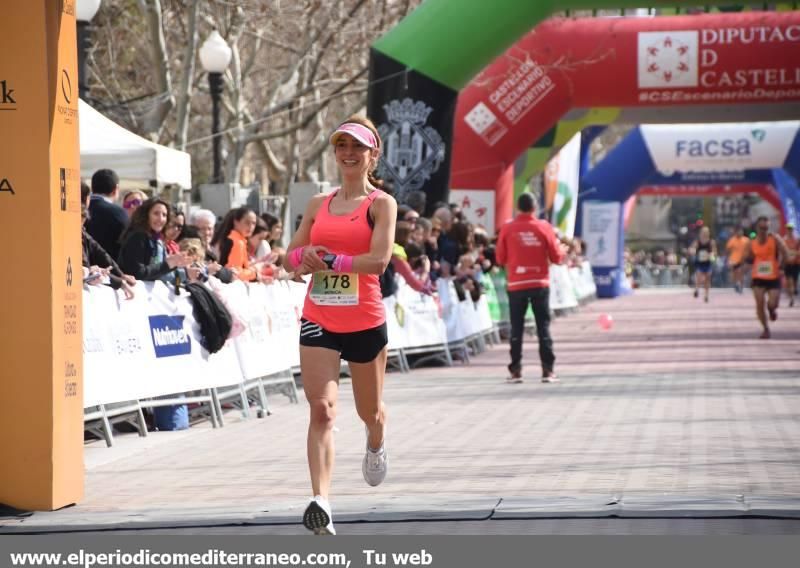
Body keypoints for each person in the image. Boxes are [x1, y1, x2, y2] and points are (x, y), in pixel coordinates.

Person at [285, 116, 396, 536]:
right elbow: (288, 258)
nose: (348, 154)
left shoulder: (381, 204)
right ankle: (321, 503)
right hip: (320, 317)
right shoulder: (318, 204)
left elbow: (379, 261)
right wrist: (305, 257)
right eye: (341, 146)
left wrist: (333, 260)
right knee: (322, 409)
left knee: (371, 411)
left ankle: (376, 441)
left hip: (365, 319)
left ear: (372, 155)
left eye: (357, 147)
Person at [495, 192, 564, 384]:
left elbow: (499, 258)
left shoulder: (508, 228)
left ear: (518, 207)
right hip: (540, 283)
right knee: (543, 327)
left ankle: (516, 371)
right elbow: (557, 257)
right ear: (535, 208)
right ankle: (548, 371)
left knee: (516, 327)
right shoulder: (544, 227)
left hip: (516, 283)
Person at [118, 197, 192, 284]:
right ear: (146, 215)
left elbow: (164, 276)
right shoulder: (138, 237)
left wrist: (179, 269)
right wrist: (169, 264)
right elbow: (138, 273)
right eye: (156, 214)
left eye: (164, 215)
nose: (161, 219)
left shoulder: (157, 240)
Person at [745, 216, 794, 339]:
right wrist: (742, 267)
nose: (764, 231)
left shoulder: (775, 239)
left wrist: (783, 266)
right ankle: (765, 328)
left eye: (766, 228)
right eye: (762, 228)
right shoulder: (752, 242)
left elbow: (786, 253)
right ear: (757, 228)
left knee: (773, 303)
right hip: (758, 277)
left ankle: (772, 310)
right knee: (759, 303)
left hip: (773, 277)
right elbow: (748, 258)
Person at [85, 169, 129, 260]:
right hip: (110, 269)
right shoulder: (118, 213)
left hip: (83, 268)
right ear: (116, 189)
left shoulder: (80, 210)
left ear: (92, 188)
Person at [211, 207, 259, 282]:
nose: (251, 227)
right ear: (236, 222)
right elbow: (235, 272)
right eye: (247, 222)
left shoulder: (236, 239)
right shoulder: (237, 242)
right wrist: (255, 273)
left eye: (253, 223)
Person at [689, 226, 717, 303]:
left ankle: (706, 295)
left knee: (707, 278)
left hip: (707, 263)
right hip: (700, 262)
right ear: (700, 233)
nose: (705, 234)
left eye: (706, 232)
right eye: (703, 232)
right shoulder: (698, 241)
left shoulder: (711, 242)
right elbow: (692, 248)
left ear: (708, 233)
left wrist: (712, 255)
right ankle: (697, 289)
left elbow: (714, 252)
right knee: (699, 275)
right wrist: (693, 251)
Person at [726, 226, 749, 293]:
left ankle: (741, 286)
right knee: (734, 273)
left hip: (743, 259)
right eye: (738, 231)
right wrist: (727, 259)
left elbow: (749, 249)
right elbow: (728, 249)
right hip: (733, 259)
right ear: (735, 232)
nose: (740, 232)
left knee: (740, 272)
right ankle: (735, 284)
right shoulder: (732, 240)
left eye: (741, 231)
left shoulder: (746, 240)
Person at [782, 222, 799, 307]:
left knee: (794, 282)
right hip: (787, 263)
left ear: (793, 230)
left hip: (796, 263)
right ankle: (791, 298)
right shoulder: (784, 240)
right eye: (788, 229)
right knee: (789, 281)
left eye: (791, 229)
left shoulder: (797, 240)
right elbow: (782, 252)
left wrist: (793, 254)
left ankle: (794, 291)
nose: (789, 230)